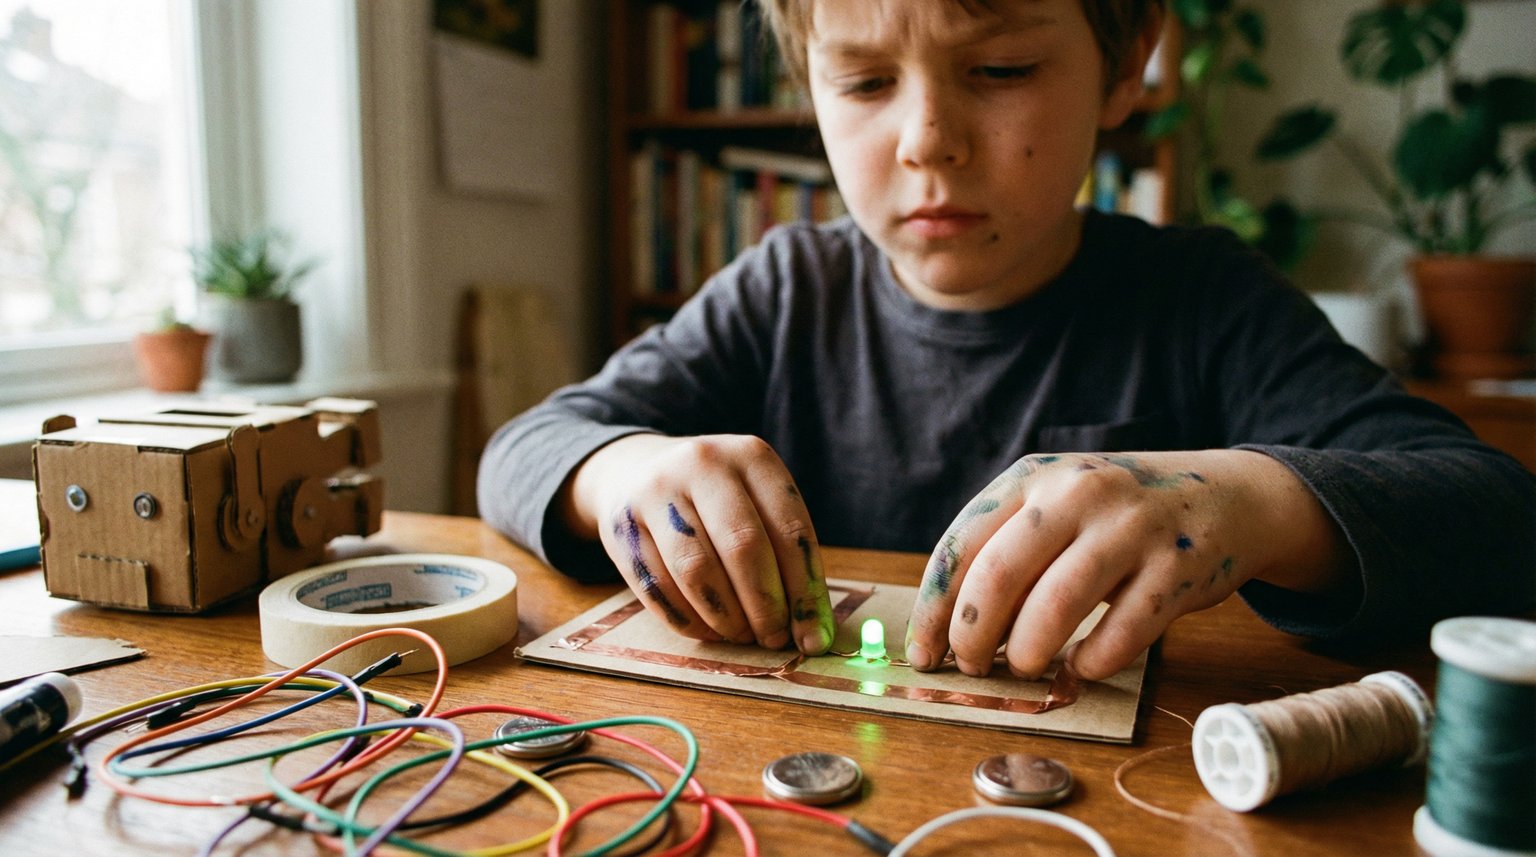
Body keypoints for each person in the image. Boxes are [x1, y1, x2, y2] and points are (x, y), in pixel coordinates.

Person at [479, 0, 1534, 684]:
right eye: (862, 82)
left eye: (1002, 68)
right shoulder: (780, 290)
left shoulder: (1203, 299)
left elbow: (1495, 509)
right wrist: (625, 469)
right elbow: (524, 446)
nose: (927, 138)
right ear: (811, 90)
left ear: (1126, 69)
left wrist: (1247, 502)